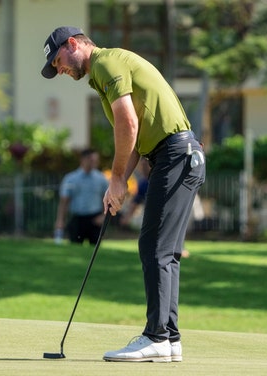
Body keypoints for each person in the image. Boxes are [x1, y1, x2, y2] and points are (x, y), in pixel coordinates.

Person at [41, 26, 206, 363]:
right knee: (166, 250)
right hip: (176, 156)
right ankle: (170, 338)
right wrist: (118, 184)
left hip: (175, 155)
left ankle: (157, 337)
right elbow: (135, 135)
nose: (60, 70)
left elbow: (127, 123)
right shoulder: (104, 71)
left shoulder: (105, 62)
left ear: (74, 44)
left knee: (155, 246)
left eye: (59, 61)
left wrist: (116, 178)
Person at [55, 148, 108, 245]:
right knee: (75, 248)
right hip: (77, 219)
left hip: (95, 219)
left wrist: (103, 216)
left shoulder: (101, 179)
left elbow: (107, 200)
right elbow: (64, 201)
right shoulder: (70, 179)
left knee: (96, 251)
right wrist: (60, 220)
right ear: (83, 159)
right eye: (92, 160)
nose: (95, 163)